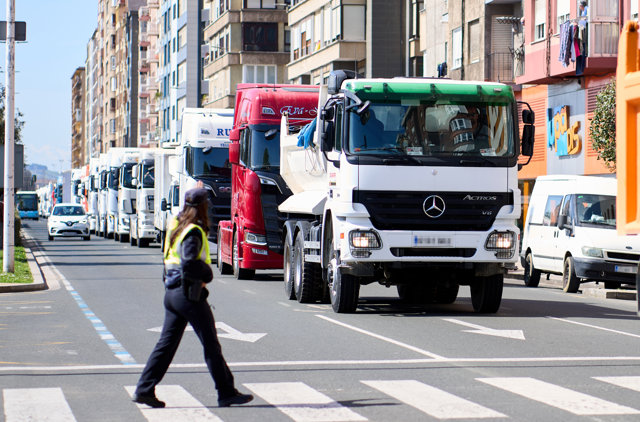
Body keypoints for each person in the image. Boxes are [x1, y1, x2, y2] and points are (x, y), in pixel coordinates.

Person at [132, 187, 253, 408]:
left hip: (172, 292)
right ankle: (226, 392)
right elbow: (189, 261)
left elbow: (168, 256)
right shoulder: (194, 231)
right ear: (203, 207)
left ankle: (144, 389)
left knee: (166, 345)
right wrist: (207, 273)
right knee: (210, 344)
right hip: (188, 294)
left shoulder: (175, 224)